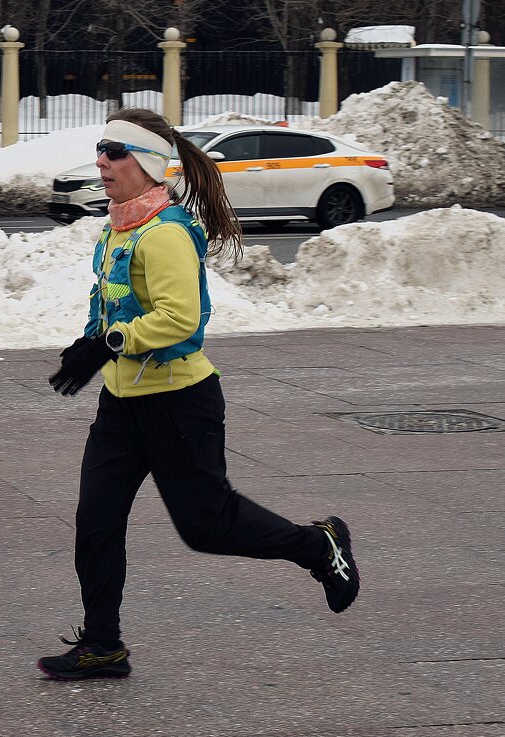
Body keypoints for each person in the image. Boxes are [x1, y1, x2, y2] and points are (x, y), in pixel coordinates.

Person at [39, 108, 359, 681]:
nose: (101, 161)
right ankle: (103, 645)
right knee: (96, 522)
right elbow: (114, 302)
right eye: (101, 149)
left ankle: (319, 546)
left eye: (114, 152)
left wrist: (109, 343)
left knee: (207, 526)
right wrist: (88, 344)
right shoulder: (123, 225)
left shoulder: (164, 234)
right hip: (122, 406)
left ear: (144, 163)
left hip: (179, 404)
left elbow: (180, 319)